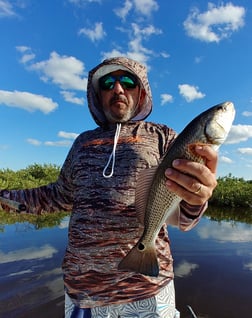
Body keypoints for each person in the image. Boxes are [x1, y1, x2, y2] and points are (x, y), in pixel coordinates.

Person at [0, 57, 218, 318]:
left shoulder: (165, 137)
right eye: (107, 83)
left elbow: (183, 210)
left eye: (127, 81)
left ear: (141, 91)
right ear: (97, 94)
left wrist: (196, 199)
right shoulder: (82, 143)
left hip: (146, 288)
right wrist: (5, 199)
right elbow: (57, 196)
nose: (117, 89)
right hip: (84, 291)